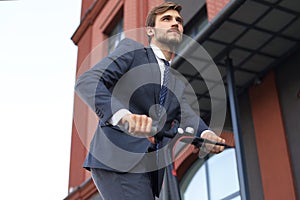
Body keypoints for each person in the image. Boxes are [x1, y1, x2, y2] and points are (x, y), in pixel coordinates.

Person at [75, 2, 226, 200]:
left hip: (150, 167)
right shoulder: (132, 51)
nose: (175, 24)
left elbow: (187, 114)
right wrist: (124, 117)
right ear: (150, 31)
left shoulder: (176, 82)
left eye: (178, 21)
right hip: (118, 158)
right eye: (166, 19)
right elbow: (88, 81)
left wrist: (206, 134)